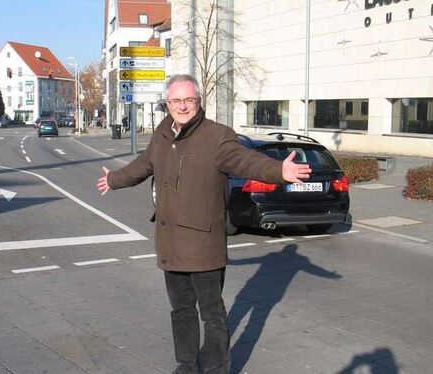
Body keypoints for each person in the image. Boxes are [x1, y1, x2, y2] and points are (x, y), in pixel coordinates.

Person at [96, 74, 311, 374]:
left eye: (188, 100)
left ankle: (216, 368)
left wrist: (279, 170)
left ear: (199, 101)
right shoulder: (162, 133)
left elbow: (246, 161)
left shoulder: (217, 136)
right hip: (170, 242)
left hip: (203, 245)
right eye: (176, 101)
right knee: (181, 310)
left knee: (212, 314)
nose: (182, 106)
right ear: (167, 103)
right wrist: (113, 179)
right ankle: (186, 365)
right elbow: (144, 164)